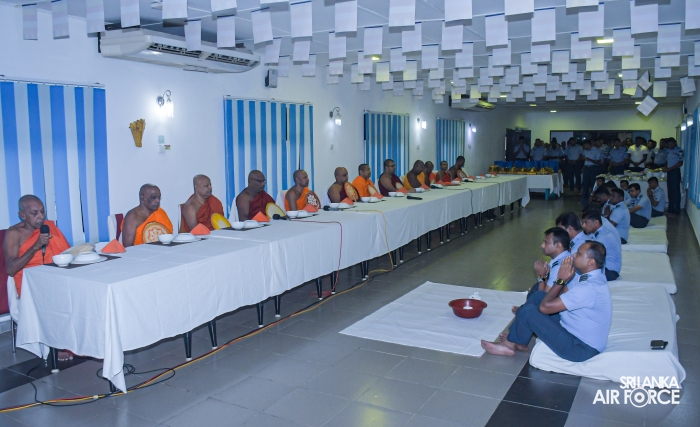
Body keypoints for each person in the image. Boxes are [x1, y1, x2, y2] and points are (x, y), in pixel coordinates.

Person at [482, 242, 612, 362]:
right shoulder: (593, 276)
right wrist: (562, 281)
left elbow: (545, 307)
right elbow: (564, 295)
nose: (573, 255)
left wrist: (560, 280)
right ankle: (517, 342)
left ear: (590, 262)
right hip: (573, 330)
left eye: (578, 254)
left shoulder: (589, 288)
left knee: (529, 311)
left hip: (580, 348)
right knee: (539, 296)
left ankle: (509, 345)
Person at [4, 196, 73, 360]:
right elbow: (10, 269)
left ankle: (77, 339)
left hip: (55, 277)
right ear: (22, 215)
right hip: (30, 285)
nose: (41, 217)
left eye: (42, 211)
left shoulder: (48, 228)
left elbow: (66, 252)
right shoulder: (14, 234)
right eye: (34, 213)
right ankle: (55, 346)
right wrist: (35, 247)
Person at [580, 210, 621, 281]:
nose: (583, 226)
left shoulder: (603, 237)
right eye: (582, 223)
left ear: (596, 222)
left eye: (586, 222)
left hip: (610, 271)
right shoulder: (600, 232)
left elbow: (590, 255)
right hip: (607, 268)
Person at [664, 137, 683, 217]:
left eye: (671, 144)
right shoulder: (668, 150)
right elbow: (667, 160)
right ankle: (670, 209)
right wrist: (665, 167)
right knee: (670, 191)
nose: (669, 146)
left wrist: (669, 169)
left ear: (674, 143)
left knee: (675, 192)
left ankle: (676, 211)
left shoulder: (679, 151)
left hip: (675, 172)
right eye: (668, 145)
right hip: (669, 172)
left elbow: (680, 163)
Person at [581, 141, 602, 207]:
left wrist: (590, 159)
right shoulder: (585, 150)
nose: (584, 147)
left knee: (593, 183)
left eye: (585, 145)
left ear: (588, 144)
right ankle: (584, 200)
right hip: (586, 168)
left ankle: (594, 199)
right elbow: (582, 157)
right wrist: (583, 158)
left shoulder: (596, 150)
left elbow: (599, 161)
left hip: (593, 168)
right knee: (585, 184)